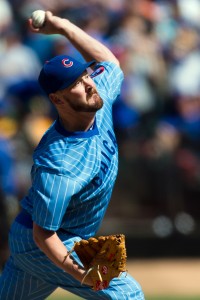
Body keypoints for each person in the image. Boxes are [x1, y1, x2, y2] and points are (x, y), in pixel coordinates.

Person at [0, 11, 145, 300]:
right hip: (49, 240)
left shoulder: (96, 100)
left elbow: (110, 63)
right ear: (57, 99)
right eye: (76, 84)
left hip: (48, 236)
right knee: (127, 294)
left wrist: (64, 28)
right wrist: (87, 277)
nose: (89, 83)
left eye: (85, 74)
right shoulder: (58, 162)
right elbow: (44, 235)